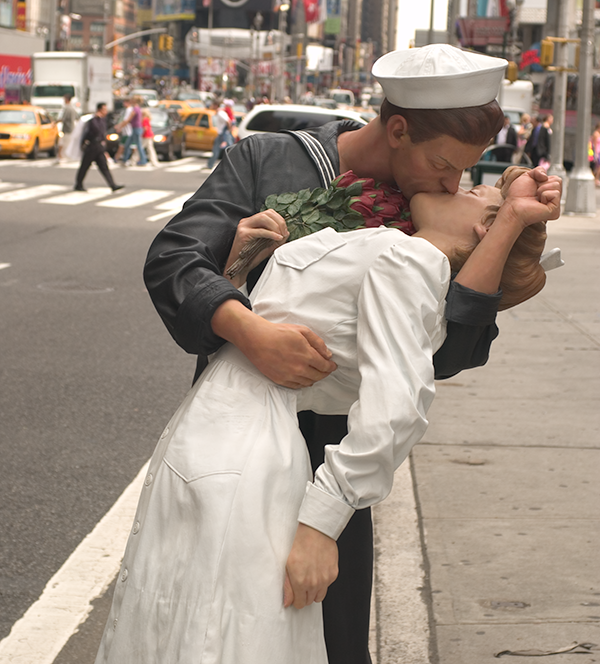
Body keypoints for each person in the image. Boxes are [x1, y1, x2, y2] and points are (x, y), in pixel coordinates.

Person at [142, 44, 562, 664]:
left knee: (332, 640)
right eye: (444, 165)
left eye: (464, 173)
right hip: (240, 438)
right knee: (213, 627)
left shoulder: (436, 215)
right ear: (397, 128)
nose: (453, 183)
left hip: (337, 457)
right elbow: (174, 258)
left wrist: (504, 235)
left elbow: (444, 359)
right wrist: (250, 331)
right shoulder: (271, 160)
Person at [74, 102, 124, 193]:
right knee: (84, 166)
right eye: (104, 109)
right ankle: (78, 184)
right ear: (99, 110)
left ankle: (112, 185)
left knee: (104, 167)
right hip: (92, 146)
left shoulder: (102, 119)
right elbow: (92, 132)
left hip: (99, 147)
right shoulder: (94, 120)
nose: (106, 111)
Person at [117, 95, 147, 166]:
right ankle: (125, 160)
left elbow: (128, 120)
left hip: (136, 129)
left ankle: (143, 161)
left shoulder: (135, 109)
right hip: (135, 128)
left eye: (132, 100)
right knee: (128, 144)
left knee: (138, 145)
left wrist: (120, 126)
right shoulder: (137, 108)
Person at [206, 98, 233, 170]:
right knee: (218, 150)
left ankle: (231, 166)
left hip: (224, 134)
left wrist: (228, 131)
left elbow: (228, 121)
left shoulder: (221, 113)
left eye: (212, 105)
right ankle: (210, 164)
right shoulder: (219, 112)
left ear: (215, 105)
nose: (211, 106)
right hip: (221, 134)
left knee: (229, 151)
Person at [56, 94, 79, 162]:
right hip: (71, 128)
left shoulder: (67, 108)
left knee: (62, 143)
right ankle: (62, 156)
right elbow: (77, 117)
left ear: (66, 99)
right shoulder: (72, 108)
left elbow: (63, 118)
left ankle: (60, 156)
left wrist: (55, 122)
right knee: (66, 143)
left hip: (67, 129)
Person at [113, 98, 133, 165]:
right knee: (128, 145)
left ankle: (117, 158)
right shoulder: (127, 110)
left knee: (124, 145)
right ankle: (120, 158)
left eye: (124, 102)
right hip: (127, 131)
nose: (123, 104)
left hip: (128, 131)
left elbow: (126, 121)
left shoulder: (129, 110)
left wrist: (119, 126)